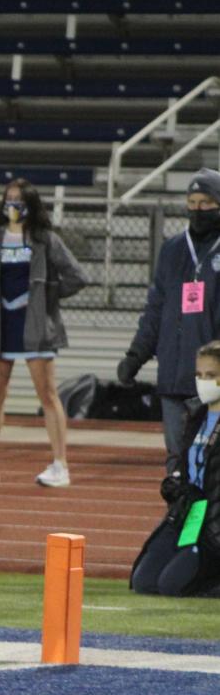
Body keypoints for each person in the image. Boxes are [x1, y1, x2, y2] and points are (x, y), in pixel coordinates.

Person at [0, 178, 90, 488]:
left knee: (48, 395)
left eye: (19, 201)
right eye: (8, 200)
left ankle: (60, 464)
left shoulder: (45, 239)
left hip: (35, 327)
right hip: (1, 327)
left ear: (30, 205)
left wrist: (47, 295)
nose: (13, 206)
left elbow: (78, 276)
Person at [118, 168, 220, 474]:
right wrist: (136, 354)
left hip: (213, 379)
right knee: (177, 465)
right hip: (174, 377)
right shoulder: (173, 249)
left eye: (206, 202)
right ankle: (180, 521)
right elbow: (156, 308)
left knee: (210, 464)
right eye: (192, 201)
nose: (198, 209)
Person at [130, 341, 220, 598]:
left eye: (211, 376)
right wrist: (175, 486)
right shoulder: (195, 415)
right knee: (144, 582)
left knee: (172, 586)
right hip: (188, 515)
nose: (203, 381)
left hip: (213, 521)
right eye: (199, 375)